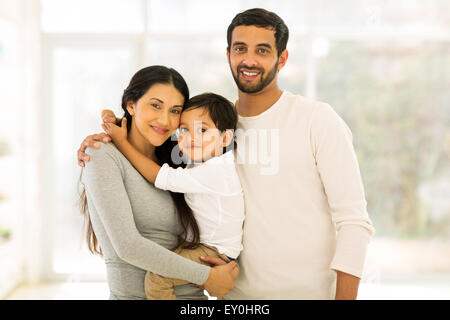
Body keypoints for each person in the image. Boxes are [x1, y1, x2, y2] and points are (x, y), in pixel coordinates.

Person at [78, 8, 375, 300]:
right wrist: (108, 133)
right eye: (240, 48)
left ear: (282, 58)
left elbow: (353, 222)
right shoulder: (207, 131)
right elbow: (150, 141)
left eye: (262, 50)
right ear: (228, 55)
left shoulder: (316, 119)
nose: (249, 59)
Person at [79, 65, 238, 300]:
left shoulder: (180, 158)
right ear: (131, 105)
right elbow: (128, 247)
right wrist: (207, 277)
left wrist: (226, 266)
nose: (165, 120)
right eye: (155, 105)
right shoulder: (102, 154)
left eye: (175, 111)